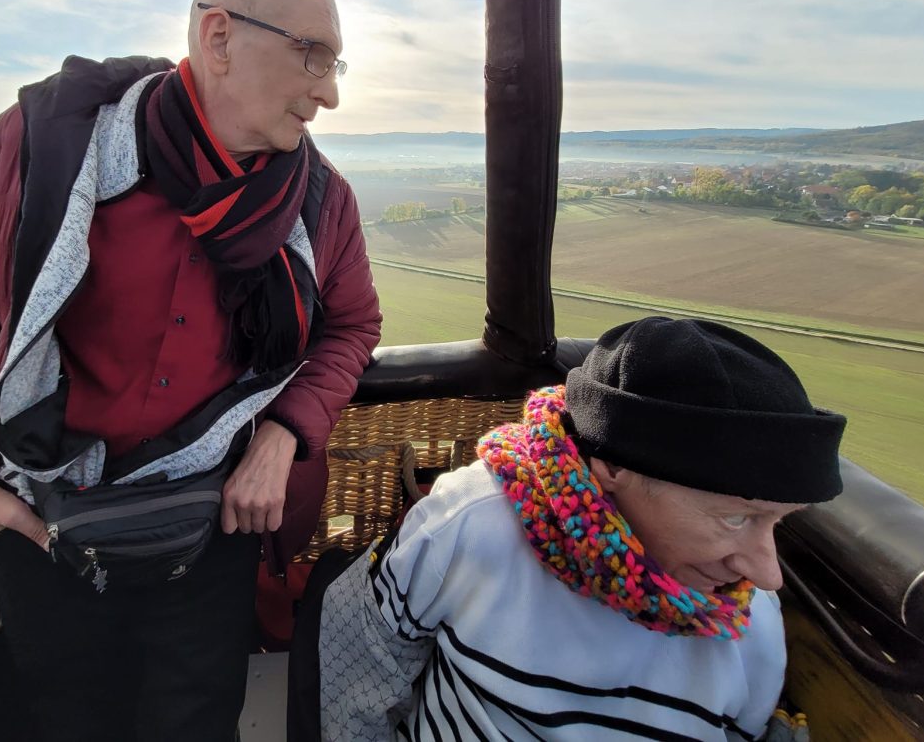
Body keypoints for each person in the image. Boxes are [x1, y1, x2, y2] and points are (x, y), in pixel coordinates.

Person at [0, 0, 382, 741]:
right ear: (220, 36)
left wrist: (285, 432)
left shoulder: (322, 202)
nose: (329, 93)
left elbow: (353, 325)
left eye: (336, 65)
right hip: (43, 517)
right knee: (68, 716)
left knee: (195, 722)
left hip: (211, 524)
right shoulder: (41, 154)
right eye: (312, 56)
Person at [309, 317, 845, 741]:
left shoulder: (752, 624)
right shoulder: (469, 525)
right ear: (612, 469)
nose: (767, 573)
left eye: (776, 522)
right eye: (735, 517)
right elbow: (364, 654)